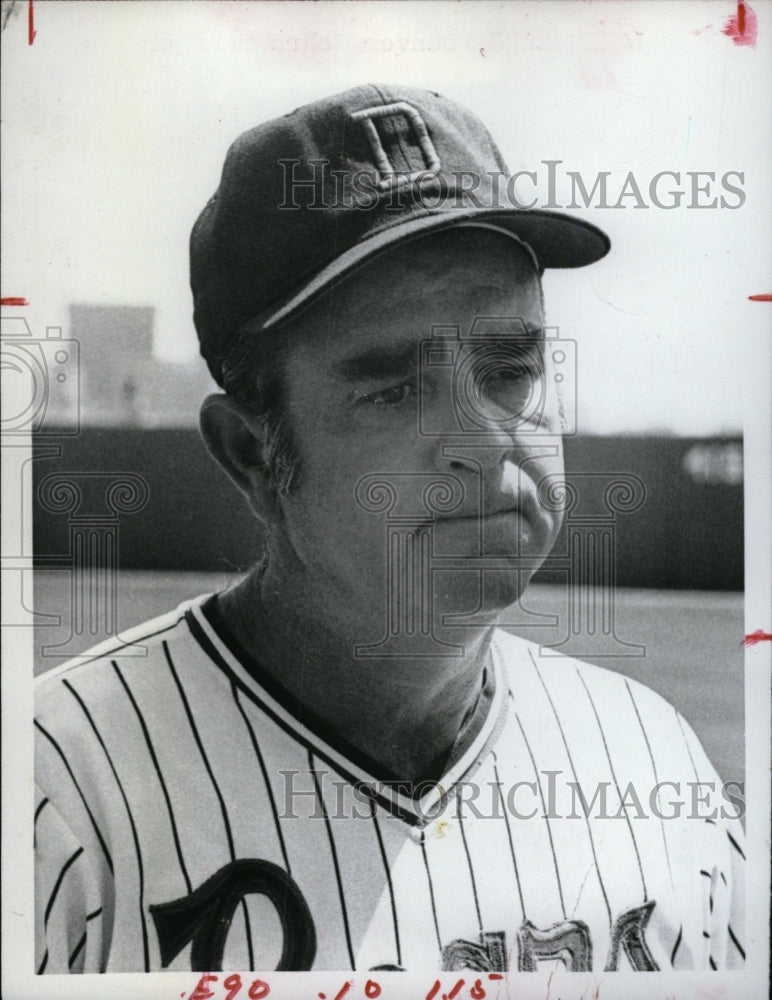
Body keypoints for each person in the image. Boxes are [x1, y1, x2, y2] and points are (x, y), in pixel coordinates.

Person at [35, 83, 744, 975]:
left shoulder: (652, 761)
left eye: (511, 368)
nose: (485, 442)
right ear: (252, 456)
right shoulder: (58, 794)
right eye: (394, 389)